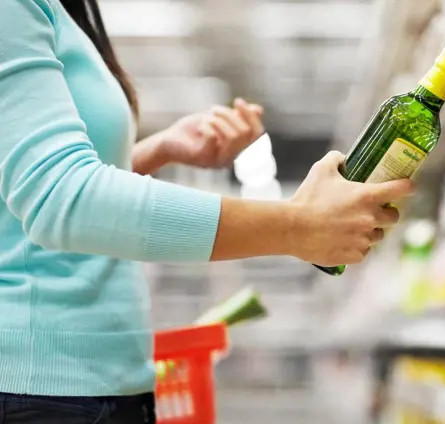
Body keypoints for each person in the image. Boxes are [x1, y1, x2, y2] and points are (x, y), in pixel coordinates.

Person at [0, 0, 414, 422]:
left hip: (103, 378)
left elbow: (20, 198)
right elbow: (59, 198)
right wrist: (294, 226)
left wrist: (156, 150)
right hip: (42, 386)